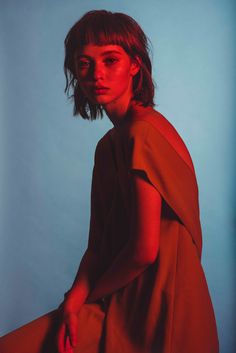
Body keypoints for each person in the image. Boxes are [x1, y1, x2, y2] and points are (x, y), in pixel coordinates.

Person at [0, 9, 219, 353]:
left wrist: (87, 299)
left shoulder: (143, 133)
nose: (96, 74)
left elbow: (144, 251)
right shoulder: (108, 147)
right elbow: (98, 245)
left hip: (163, 311)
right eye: (85, 63)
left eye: (110, 60)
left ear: (135, 65)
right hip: (119, 301)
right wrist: (74, 298)